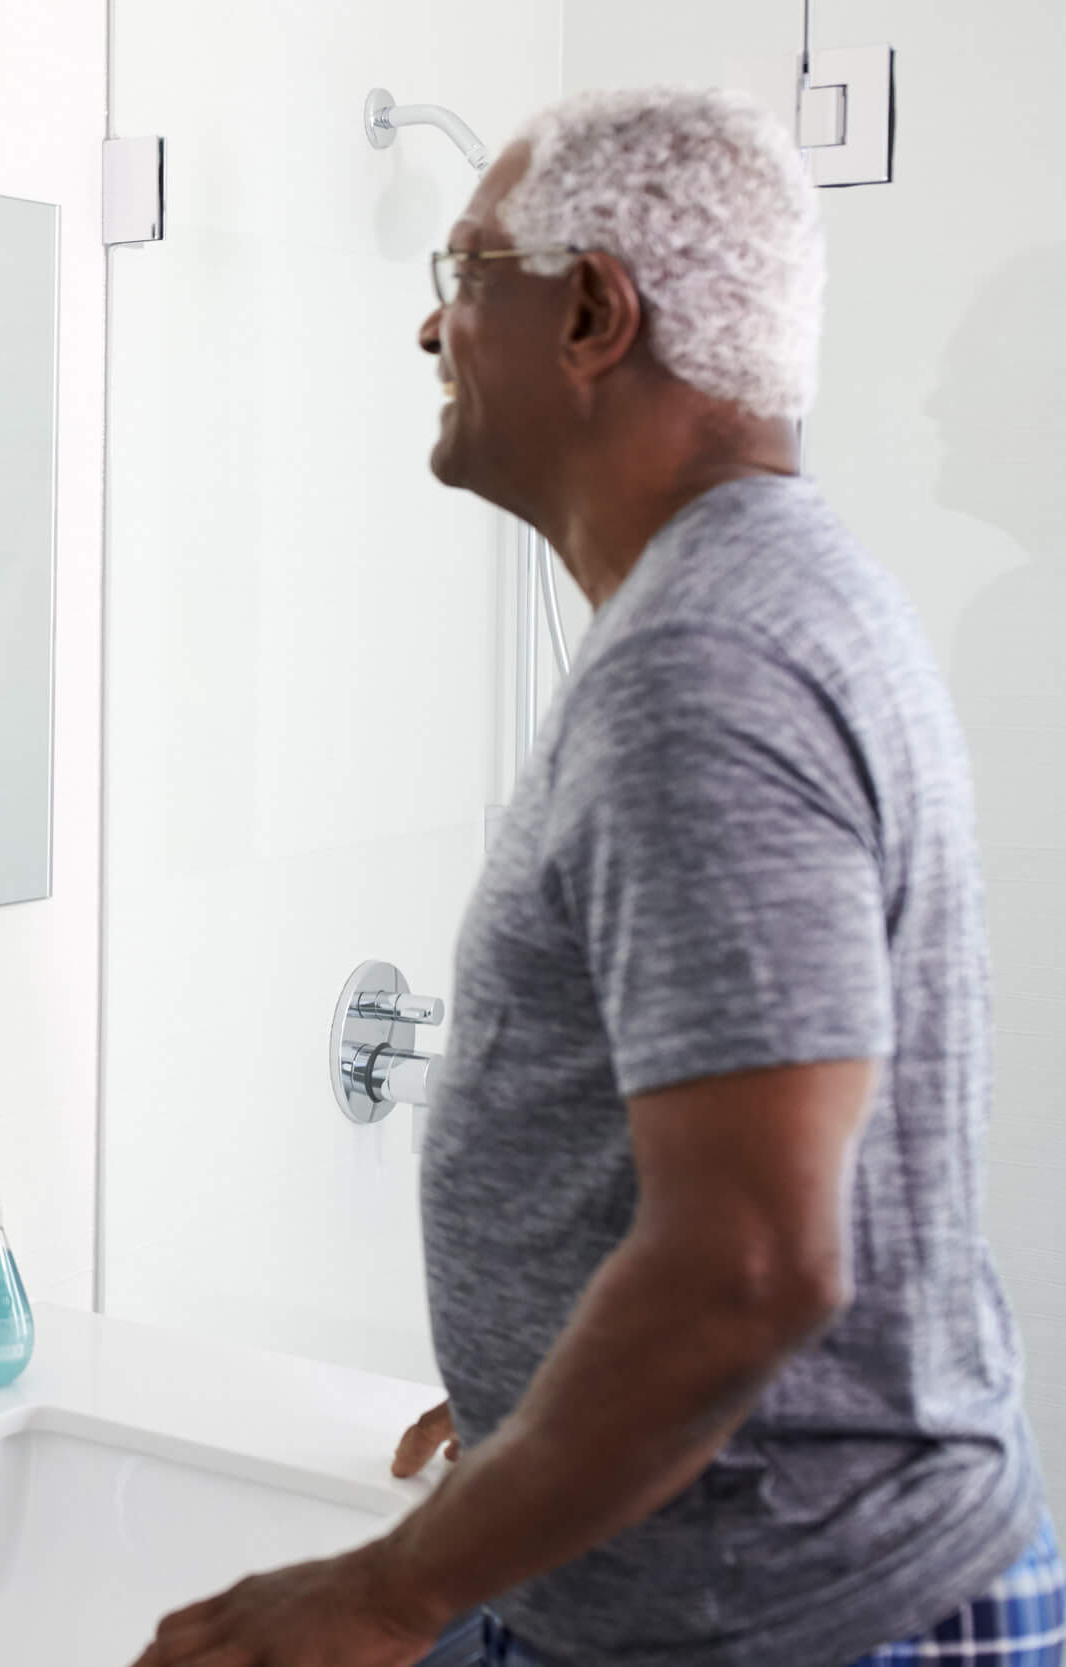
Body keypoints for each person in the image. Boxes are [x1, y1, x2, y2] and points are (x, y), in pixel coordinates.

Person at [135, 88, 1053, 1667]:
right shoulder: (746, 599)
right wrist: (551, 1395)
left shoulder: (708, 659)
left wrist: (386, 1585)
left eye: (464, 269)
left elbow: (752, 1258)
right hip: (753, 1579)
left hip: (781, 1617)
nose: (431, 327)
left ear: (587, 313)